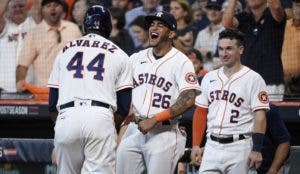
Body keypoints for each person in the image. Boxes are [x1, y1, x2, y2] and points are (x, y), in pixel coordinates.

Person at [47, 5, 133, 173]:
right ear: (108, 26)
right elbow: (124, 106)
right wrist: (108, 124)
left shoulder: (65, 50)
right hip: (99, 116)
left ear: (84, 26)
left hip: (66, 117)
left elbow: (52, 103)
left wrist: (61, 127)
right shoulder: (120, 54)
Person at [116, 11, 201, 174]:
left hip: (164, 133)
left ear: (171, 33)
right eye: (152, 24)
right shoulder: (136, 58)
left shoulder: (181, 62)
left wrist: (155, 119)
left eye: (160, 25)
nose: (153, 28)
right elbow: (123, 92)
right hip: (135, 129)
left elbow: (189, 98)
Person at [191, 28, 270, 173]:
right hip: (211, 147)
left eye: (229, 49)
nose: (223, 53)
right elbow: (201, 112)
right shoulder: (209, 77)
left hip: (240, 147)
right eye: (220, 49)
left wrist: (257, 149)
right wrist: (196, 144)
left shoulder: (254, 78)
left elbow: (260, 117)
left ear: (240, 49)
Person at [222, 0, 286, 101]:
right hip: (245, 81)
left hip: (270, 82)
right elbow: (227, 24)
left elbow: (277, 7)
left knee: (267, 116)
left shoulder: (273, 14)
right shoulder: (244, 17)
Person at [16, 0, 81, 92]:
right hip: (44, 91)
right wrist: (20, 81)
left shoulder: (73, 29)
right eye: (48, 6)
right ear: (42, 10)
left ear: (62, 9)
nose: (53, 8)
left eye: (56, 5)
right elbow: (23, 64)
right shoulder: (34, 33)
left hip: (71, 89)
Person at [0, 0, 40, 93]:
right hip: (4, 87)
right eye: (14, 7)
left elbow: (37, 8)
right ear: (7, 11)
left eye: (21, 6)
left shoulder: (34, 22)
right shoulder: (4, 25)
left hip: (31, 85)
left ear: (27, 8)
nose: (18, 9)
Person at [257, 104, 290, 174]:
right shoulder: (232, 110)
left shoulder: (269, 110)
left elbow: (284, 143)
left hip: (265, 168)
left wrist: (273, 170)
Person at [194, 0, 224, 72]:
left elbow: (229, 59)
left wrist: (209, 55)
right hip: (202, 75)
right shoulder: (201, 33)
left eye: (216, 9)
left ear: (222, 12)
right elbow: (194, 56)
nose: (212, 12)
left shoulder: (226, 31)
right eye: (210, 9)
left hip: (220, 74)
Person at [281, 0, 300, 95]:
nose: (299, 10)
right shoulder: (283, 26)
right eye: (297, 6)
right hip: (280, 82)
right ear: (292, 7)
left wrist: (292, 78)